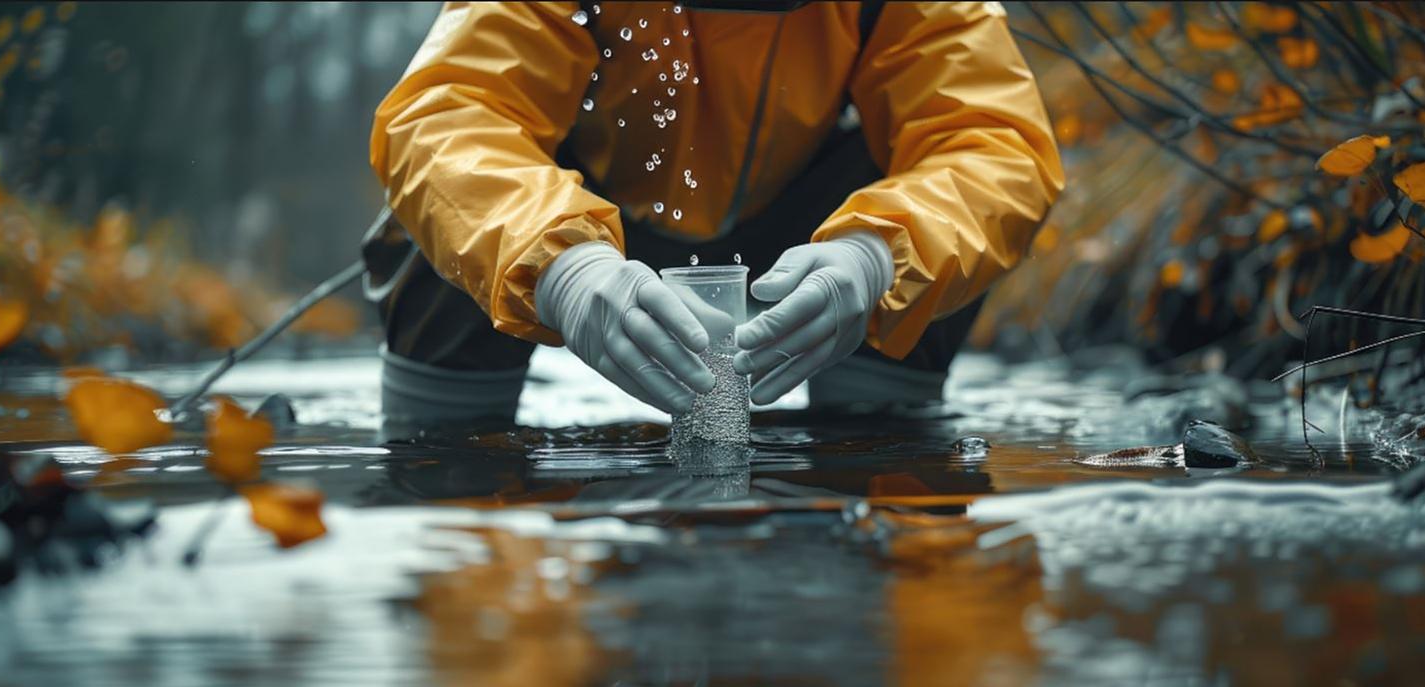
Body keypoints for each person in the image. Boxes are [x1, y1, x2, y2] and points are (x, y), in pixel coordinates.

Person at [368, 1, 1062, 424]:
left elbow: (991, 144)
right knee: (442, 222)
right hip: (583, 226)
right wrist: (562, 269)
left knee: (922, 221)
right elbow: (451, 117)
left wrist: (879, 255)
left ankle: (880, 478)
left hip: (817, 243)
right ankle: (446, 480)